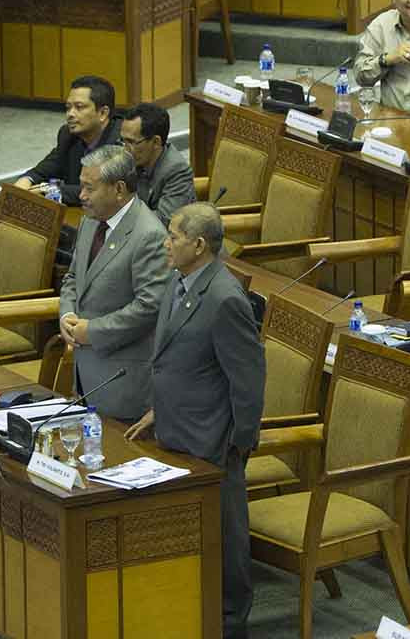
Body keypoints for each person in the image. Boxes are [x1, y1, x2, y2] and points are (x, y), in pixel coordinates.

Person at [125, 203, 265, 639]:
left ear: (199, 245)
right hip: (175, 430)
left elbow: (248, 378)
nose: (166, 243)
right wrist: (159, 408)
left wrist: (239, 444)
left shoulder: (225, 299)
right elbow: (178, 359)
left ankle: (231, 625)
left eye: (173, 237)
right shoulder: (179, 279)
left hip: (212, 440)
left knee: (225, 541)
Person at [58, 145, 169, 421]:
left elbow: (149, 307)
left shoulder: (149, 235)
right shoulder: (90, 221)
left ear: (119, 189)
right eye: (81, 186)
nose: (81, 196)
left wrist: (92, 331)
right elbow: (73, 278)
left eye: (89, 188)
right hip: (84, 374)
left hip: (122, 382)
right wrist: (67, 314)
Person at [15, 76, 122, 205]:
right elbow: (43, 170)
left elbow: (102, 191)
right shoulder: (68, 136)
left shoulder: (121, 141)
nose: (70, 114)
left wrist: (48, 191)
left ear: (103, 113)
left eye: (79, 107)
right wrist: (26, 181)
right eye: (68, 107)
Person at [120, 103, 196, 227]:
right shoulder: (132, 157)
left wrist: (120, 214)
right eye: (123, 141)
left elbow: (164, 221)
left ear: (156, 142)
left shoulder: (176, 171)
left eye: (131, 142)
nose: (125, 149)